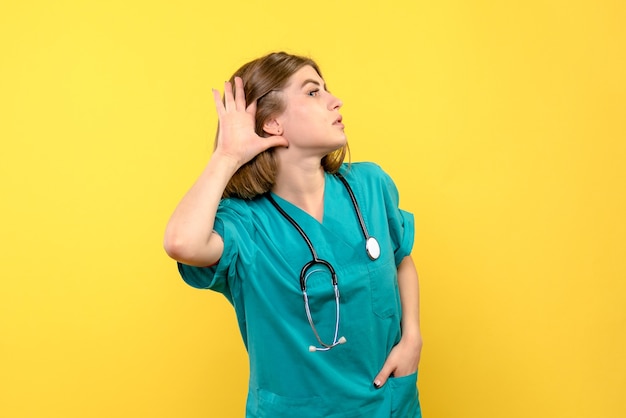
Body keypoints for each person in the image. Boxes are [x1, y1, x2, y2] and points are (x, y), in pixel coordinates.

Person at [164, 51, 422, 417]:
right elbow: (181, 243)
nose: (336, 101)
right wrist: (226, 156)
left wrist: (412, 337)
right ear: (272, 123)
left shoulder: (369, 185)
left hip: (388, 406)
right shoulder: (245, 224)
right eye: (313, 92)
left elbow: (401, 260)